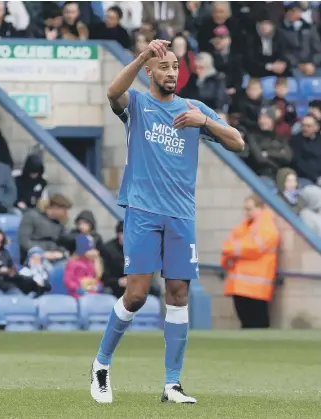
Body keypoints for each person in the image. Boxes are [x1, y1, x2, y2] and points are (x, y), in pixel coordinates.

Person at [90, 39, 244, 404]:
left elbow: (238, 142)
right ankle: (101, 365)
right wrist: (143, 53)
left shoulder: (194, 109)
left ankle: (172, 384)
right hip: (143, 211)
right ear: (150, 72)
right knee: (138, 295)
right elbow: (113, 93)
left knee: (178, 295)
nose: (171, 72)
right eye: (164, 66)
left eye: (175, 66)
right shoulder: (139, 104)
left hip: (181, 215)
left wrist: (204, 120)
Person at [221, 195, 280, 329]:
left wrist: (231, 249)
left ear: (260, 208)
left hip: (256, 288)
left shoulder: (267, 227)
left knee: (257, 325)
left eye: (250, 209)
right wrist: (231, 250)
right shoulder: (245, 227)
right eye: (245, 209)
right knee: (247, 325)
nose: (246, 212)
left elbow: (253, 248)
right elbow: (229, 250)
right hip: (241, 287)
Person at [0, 226, 47, 298]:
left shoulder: (4, 253)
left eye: (0, 242)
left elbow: (12, 268)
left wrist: (11, 273)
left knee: (18, 296)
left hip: (6, 284)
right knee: (0, 297)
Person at [18, 193, 72, 263]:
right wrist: (42, 253)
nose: (65, 214)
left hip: (54, 258)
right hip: (34, 258)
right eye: (64, 210)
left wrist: (63, 252)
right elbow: (24, 241)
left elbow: (60, 243)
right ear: (56, 207)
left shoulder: (58, 224)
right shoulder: (31, 216)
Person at [64, 234, 103, 299]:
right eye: (90, 249)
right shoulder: (72, 263)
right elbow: (68, 281)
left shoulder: (92, 262)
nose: (93, 252)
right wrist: (78, 289)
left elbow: (96, 279)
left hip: (93, 293)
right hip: (77, 294)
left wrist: (98, 286)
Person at [290, 115, 321, 187]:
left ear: (317, 128)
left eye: (308, 126)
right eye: (303, 125)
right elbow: (298, 162)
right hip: (304, 178)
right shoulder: (295, 140)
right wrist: (316, 177)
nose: (305, 128)